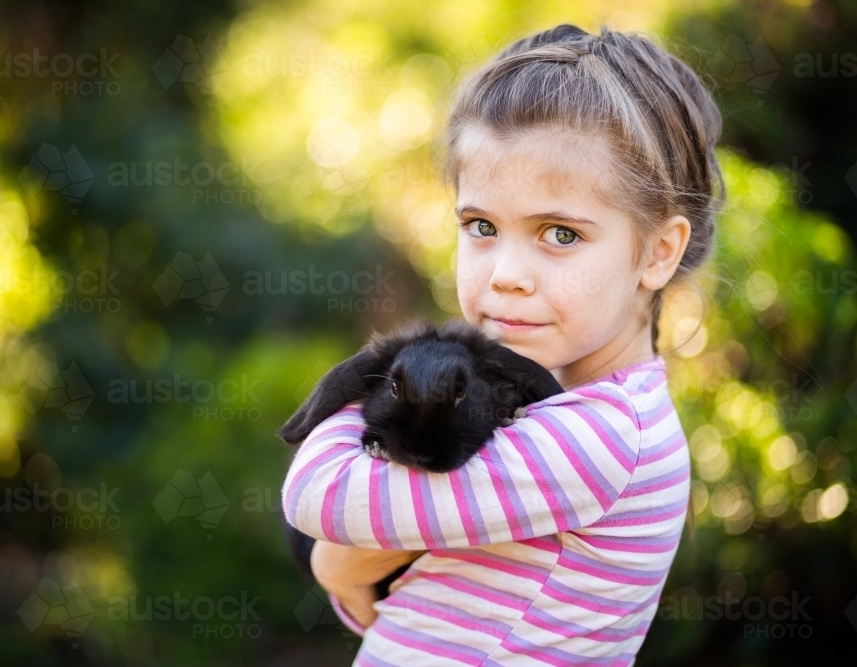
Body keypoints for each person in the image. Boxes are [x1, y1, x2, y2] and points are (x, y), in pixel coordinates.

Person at [283, 21, 725, 666]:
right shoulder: (554, 413)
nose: (506, 275)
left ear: (657, 252)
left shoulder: (600, 440)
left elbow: (319, 495)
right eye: (482, 226)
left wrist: (376, 376)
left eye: (561, 234)